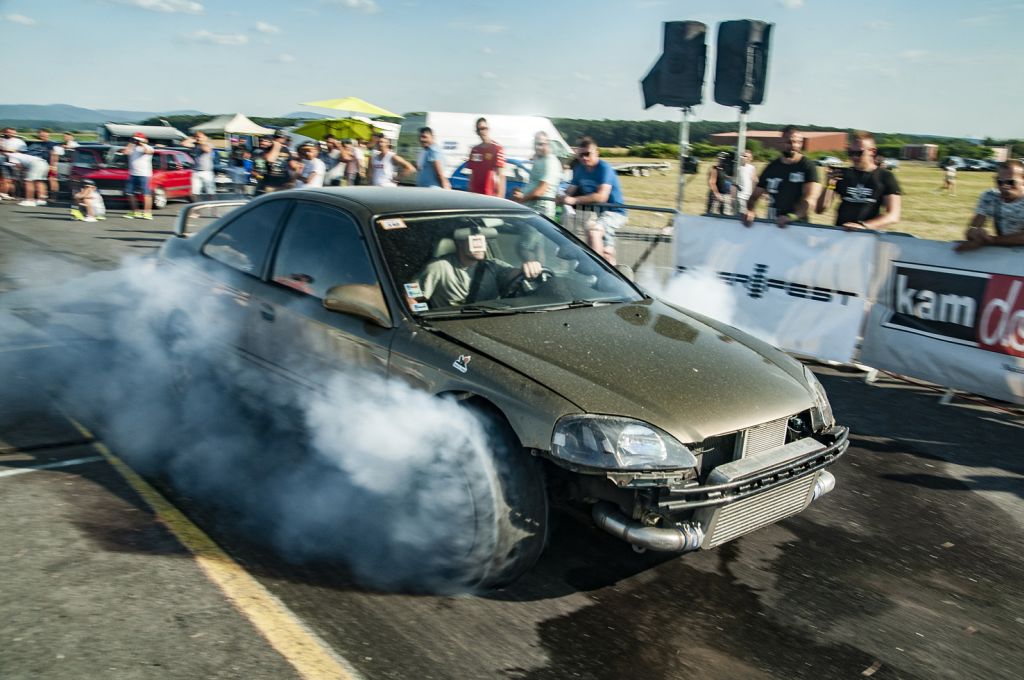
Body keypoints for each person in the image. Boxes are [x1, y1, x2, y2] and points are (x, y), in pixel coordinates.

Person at [415, 226, 543, 309]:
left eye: (483, 239)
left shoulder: (494, 266)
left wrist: (531, 267)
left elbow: (515, 275)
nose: (481, 244)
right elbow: (411, 298)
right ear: (459, 242)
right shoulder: (439, 267)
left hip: (491, 322)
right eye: (474, 240)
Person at [558, 136, 625, 264]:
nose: (584, 158)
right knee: (604, 250)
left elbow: (602, 196)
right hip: (599, 214)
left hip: (615, 212)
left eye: (588, 154)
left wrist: (574, 200)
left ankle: (597, 268)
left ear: (597, 153)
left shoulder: (604, 168)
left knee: (594, 233)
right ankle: (610, 268)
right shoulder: (580, 169)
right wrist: (560, 197)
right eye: (581, 155)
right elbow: (569, 191)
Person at [815, 131, 901, 230]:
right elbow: (820, 209)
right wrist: (829, 185)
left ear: (872, 152)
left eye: (859, 153)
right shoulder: (842, 174)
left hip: (868, 235)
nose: (854, 157)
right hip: (841, 233)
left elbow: (893, 215)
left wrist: (864, 226)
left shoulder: (885, 176)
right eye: (850, 153)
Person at [742, 125, 820, 228]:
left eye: (797, 142)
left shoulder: (807, 166)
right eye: (789, 142)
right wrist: (750, 211)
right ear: (781, 142)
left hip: (797, 227)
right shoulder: (771, 167)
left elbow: (811, 200)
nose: (793, 145)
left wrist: (791, 217)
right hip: (772, 226)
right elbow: (754, 197)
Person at [954, 160, 1024, 252]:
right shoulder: (990, 196)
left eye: (1010, 182)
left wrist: (991, 240)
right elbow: (974, 226)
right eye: (999, 182)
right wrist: (975, 233)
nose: (1004, 186)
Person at [517, 131, 562, 219]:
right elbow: (534, 183)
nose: (537, 147)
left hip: (542, 208)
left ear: (547, 144)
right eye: (536, 144)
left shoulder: (550, 162)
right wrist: (521, 191)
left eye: (541, 144)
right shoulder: (540, 158)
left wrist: (520, 200)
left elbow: (540, 191)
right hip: (533, 207)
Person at [466, 117, 505, 197]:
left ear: (488, 129)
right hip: (475, 194)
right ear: (476, 132)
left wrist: (500, 195)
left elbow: (500, 175)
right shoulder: (475, 150)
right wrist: (470, 190)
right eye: (479, 129)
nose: (481, 132)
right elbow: (472, 173)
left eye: (483, 128)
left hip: (490, 194)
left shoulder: (497, 148)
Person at [122, 132, 154, 219]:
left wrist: (142, 143)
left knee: (146, 194)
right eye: (135, 139)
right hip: (132, 174)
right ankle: (135, 211)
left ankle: (147, 213)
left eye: (137, 139)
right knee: (129, 193)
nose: (136, 141)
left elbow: (148, 152)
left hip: (145, 174)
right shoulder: (132, 147)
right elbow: (125, 152)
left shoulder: (148, 147)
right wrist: (131, 142)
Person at [185, 131, 216, 201]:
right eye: (197, 137)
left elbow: (206, 150)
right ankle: (197, 205)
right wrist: (192, 139)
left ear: (205, 137)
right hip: (196, 171)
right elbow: (184, 144)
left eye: (200, 137)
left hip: (207, 172)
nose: (198, 138)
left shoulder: (209, 144)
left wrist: (201, 142)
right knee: (194, 192)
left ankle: (213, 205)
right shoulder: (195, 145)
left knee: (210, 192)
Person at [733, 149, 757, 215]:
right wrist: (733, 196)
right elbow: (735, 182)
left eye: (748, 157)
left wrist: (754, 195)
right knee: (742, 214)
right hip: (741, 196)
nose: (746, 158)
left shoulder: (752, 168)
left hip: (749, 196)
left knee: (749, 214)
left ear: (751, 158)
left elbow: (754, 181)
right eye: (745, 156)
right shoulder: (739, 168)